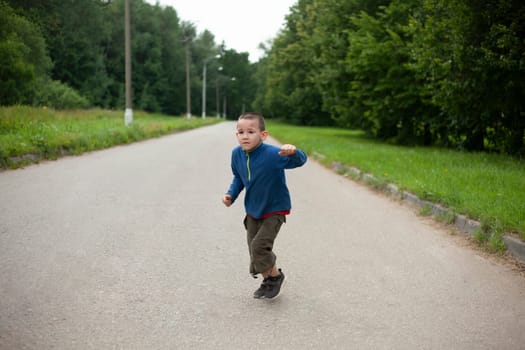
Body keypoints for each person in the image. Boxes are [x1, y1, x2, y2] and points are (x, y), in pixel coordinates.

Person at [222, 112, 307, 299]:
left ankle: (275, 276)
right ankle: (268, 280)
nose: (245, 136)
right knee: (253, 247)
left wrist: (294, 152)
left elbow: (300, 161)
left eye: (250, 131)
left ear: (263, 135)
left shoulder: (272, 154)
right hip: (253, 209)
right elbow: (239, 178)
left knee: (259, 247)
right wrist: (231, 195)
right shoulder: (236, 155)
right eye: (240, 132)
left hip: (275, 208)